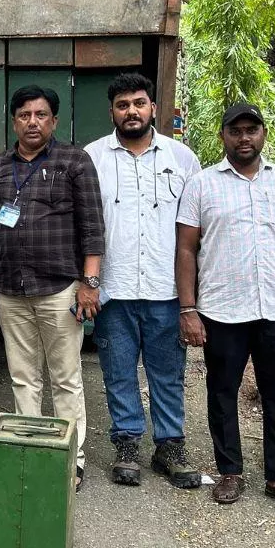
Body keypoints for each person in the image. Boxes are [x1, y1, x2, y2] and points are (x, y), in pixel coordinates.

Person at [174, 103, 275, 514]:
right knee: (222, 393)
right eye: (235, 130)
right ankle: (231, 472)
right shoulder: (202, 184)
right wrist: (188, 308)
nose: (244, 138)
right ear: (223, 136)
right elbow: (186, 248)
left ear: (263, 135)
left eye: (251, 130)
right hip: (222, 310)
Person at [0, 85, 104, 490]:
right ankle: (28, 449)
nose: (32, 122)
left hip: (59, 290)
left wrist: (89, 283)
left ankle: (72, 459)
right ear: (13, 120)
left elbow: (92, 227)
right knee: (22, 376)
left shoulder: (75, 161)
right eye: (24, 115)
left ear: (54, 120)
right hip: (11, 291)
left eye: (40, 115)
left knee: (65, 377)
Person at [83, 72, 202, 489]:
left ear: (153, 107)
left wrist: (193, 297)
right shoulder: (92, 157)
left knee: (167, 372)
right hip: (113, 289)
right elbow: (84, 225)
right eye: (122, 105)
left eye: (138, 103)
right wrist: (89, 282)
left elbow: (195, 228)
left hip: (165, 290)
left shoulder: (182, 159)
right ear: (112, 111)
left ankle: (170, 446)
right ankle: (128, 443)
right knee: (117, 371)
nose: (131, 111)